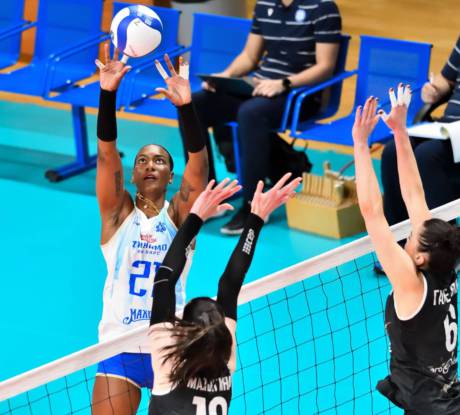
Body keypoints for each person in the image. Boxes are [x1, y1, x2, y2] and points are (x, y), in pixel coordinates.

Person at [91, 46, 209, 415]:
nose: (150, 165)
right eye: (142, 160)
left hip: (170, 349)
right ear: (133, 174)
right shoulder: (116, 216)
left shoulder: (180, 219)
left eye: (159, 160)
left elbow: (199, 165)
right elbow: (106, 153)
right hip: (120, 346)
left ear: (171, 176)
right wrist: (107, 93)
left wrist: (186, 107)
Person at [179, 0, 342, 235]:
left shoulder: (324, 8)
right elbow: (249, 56)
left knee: (250, 113)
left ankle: (253, 206)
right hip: (261, 88)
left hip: (300, 95)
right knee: (193, 105)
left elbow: (325, 67)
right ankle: (207, 196)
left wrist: (284, 83)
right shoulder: (265, 4)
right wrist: (225, 76)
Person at [147, 173, 301, 414]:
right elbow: (229, 284)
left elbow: (166, 280)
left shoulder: (170, 362)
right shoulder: (224, 359)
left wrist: (196, 217)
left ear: (185, 330)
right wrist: (256, 218)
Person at [352, 86, 460, 414]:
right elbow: (414, 194)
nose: (409, 235)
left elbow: (372, 212)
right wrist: (400, 132)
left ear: (420, 257)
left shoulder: (411, 284)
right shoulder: (444, 265)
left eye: (412, 237)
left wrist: (360, 144)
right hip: (448, 396)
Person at [381, 36, 460, 229]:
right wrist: (434, 89)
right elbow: (446, 79)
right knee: (393, 151)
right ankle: (401, 239)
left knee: (427, 156)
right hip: (448, 127)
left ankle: (442, 241)